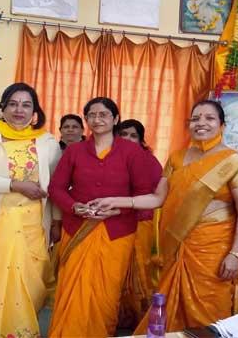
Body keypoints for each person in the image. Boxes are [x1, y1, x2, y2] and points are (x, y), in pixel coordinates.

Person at [89, 100, 238, 333]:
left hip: (214, 249)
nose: (201, 123)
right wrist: (117, 200)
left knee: (211, 307)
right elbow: (157, 198)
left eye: (209, 118)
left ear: (222, 125)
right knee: (168, 305)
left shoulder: (233, 162)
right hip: (176, 245)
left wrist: (235, 253)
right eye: (195, 119)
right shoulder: (177, 158)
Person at [47, 97, 161, 338]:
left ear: (115, 119)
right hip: (77, 228)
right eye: (92, 115)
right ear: (86, 120)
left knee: (105, 293)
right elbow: (56, 188)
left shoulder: (131, 152)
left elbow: (143, 194)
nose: (97, 119)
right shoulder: (75, 151)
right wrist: (74, 206)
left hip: (117, 233)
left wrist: (118, 209)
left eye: (103, 115)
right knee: (72, 290)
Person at [0, 82, 62, 338]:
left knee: (30, 285)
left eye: (26, 104)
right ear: (3, 107)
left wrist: (56, 221)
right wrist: (15, 185)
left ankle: (22, 333)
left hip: (34, 225)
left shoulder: (46, 142)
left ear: (35, 110)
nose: (20, 110)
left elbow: (57, 185)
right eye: (13, 104)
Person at [115, 119, 163, 329]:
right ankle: (116, 314)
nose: (127, 139)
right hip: (114, 221)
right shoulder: (109, 157)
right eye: (123, 134)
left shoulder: (149, 162)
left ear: (141, 140)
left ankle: (140, 317)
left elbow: (155, 194)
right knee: (116, 269)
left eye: (133, 136)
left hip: (141, 221)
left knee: (139, 269)